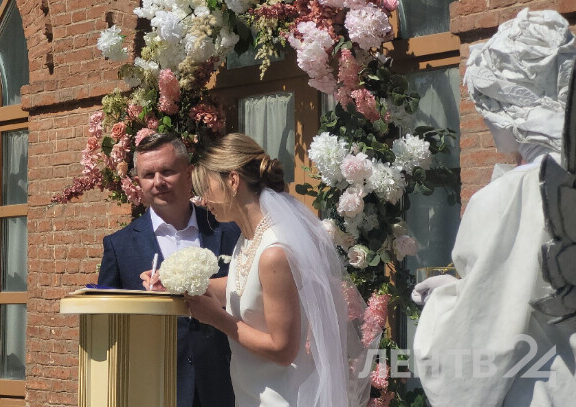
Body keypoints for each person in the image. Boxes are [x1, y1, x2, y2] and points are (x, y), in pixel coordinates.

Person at [412, 8, 576, 406]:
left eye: (484, 102)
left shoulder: (505, 199)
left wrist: (443, 303)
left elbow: (478, 348)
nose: (483, 120)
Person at [145, 133, 372, 407]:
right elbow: (244, 286)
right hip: (251, 394)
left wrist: (218, 319)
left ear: (232, 181)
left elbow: (283, 350)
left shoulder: (274, 252)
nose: (202, 199)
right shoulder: (249, 238)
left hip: (281, 397)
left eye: (207, 187)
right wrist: (174, 284)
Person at [97, 133, 240, 407]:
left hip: (225, 384)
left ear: (188, 173)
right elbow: (106, 327)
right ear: (138, 181)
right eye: (148, 175)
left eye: (167, 171)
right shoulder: (120, 246)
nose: (158, 182)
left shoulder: (227, 230)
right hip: (154, 387)